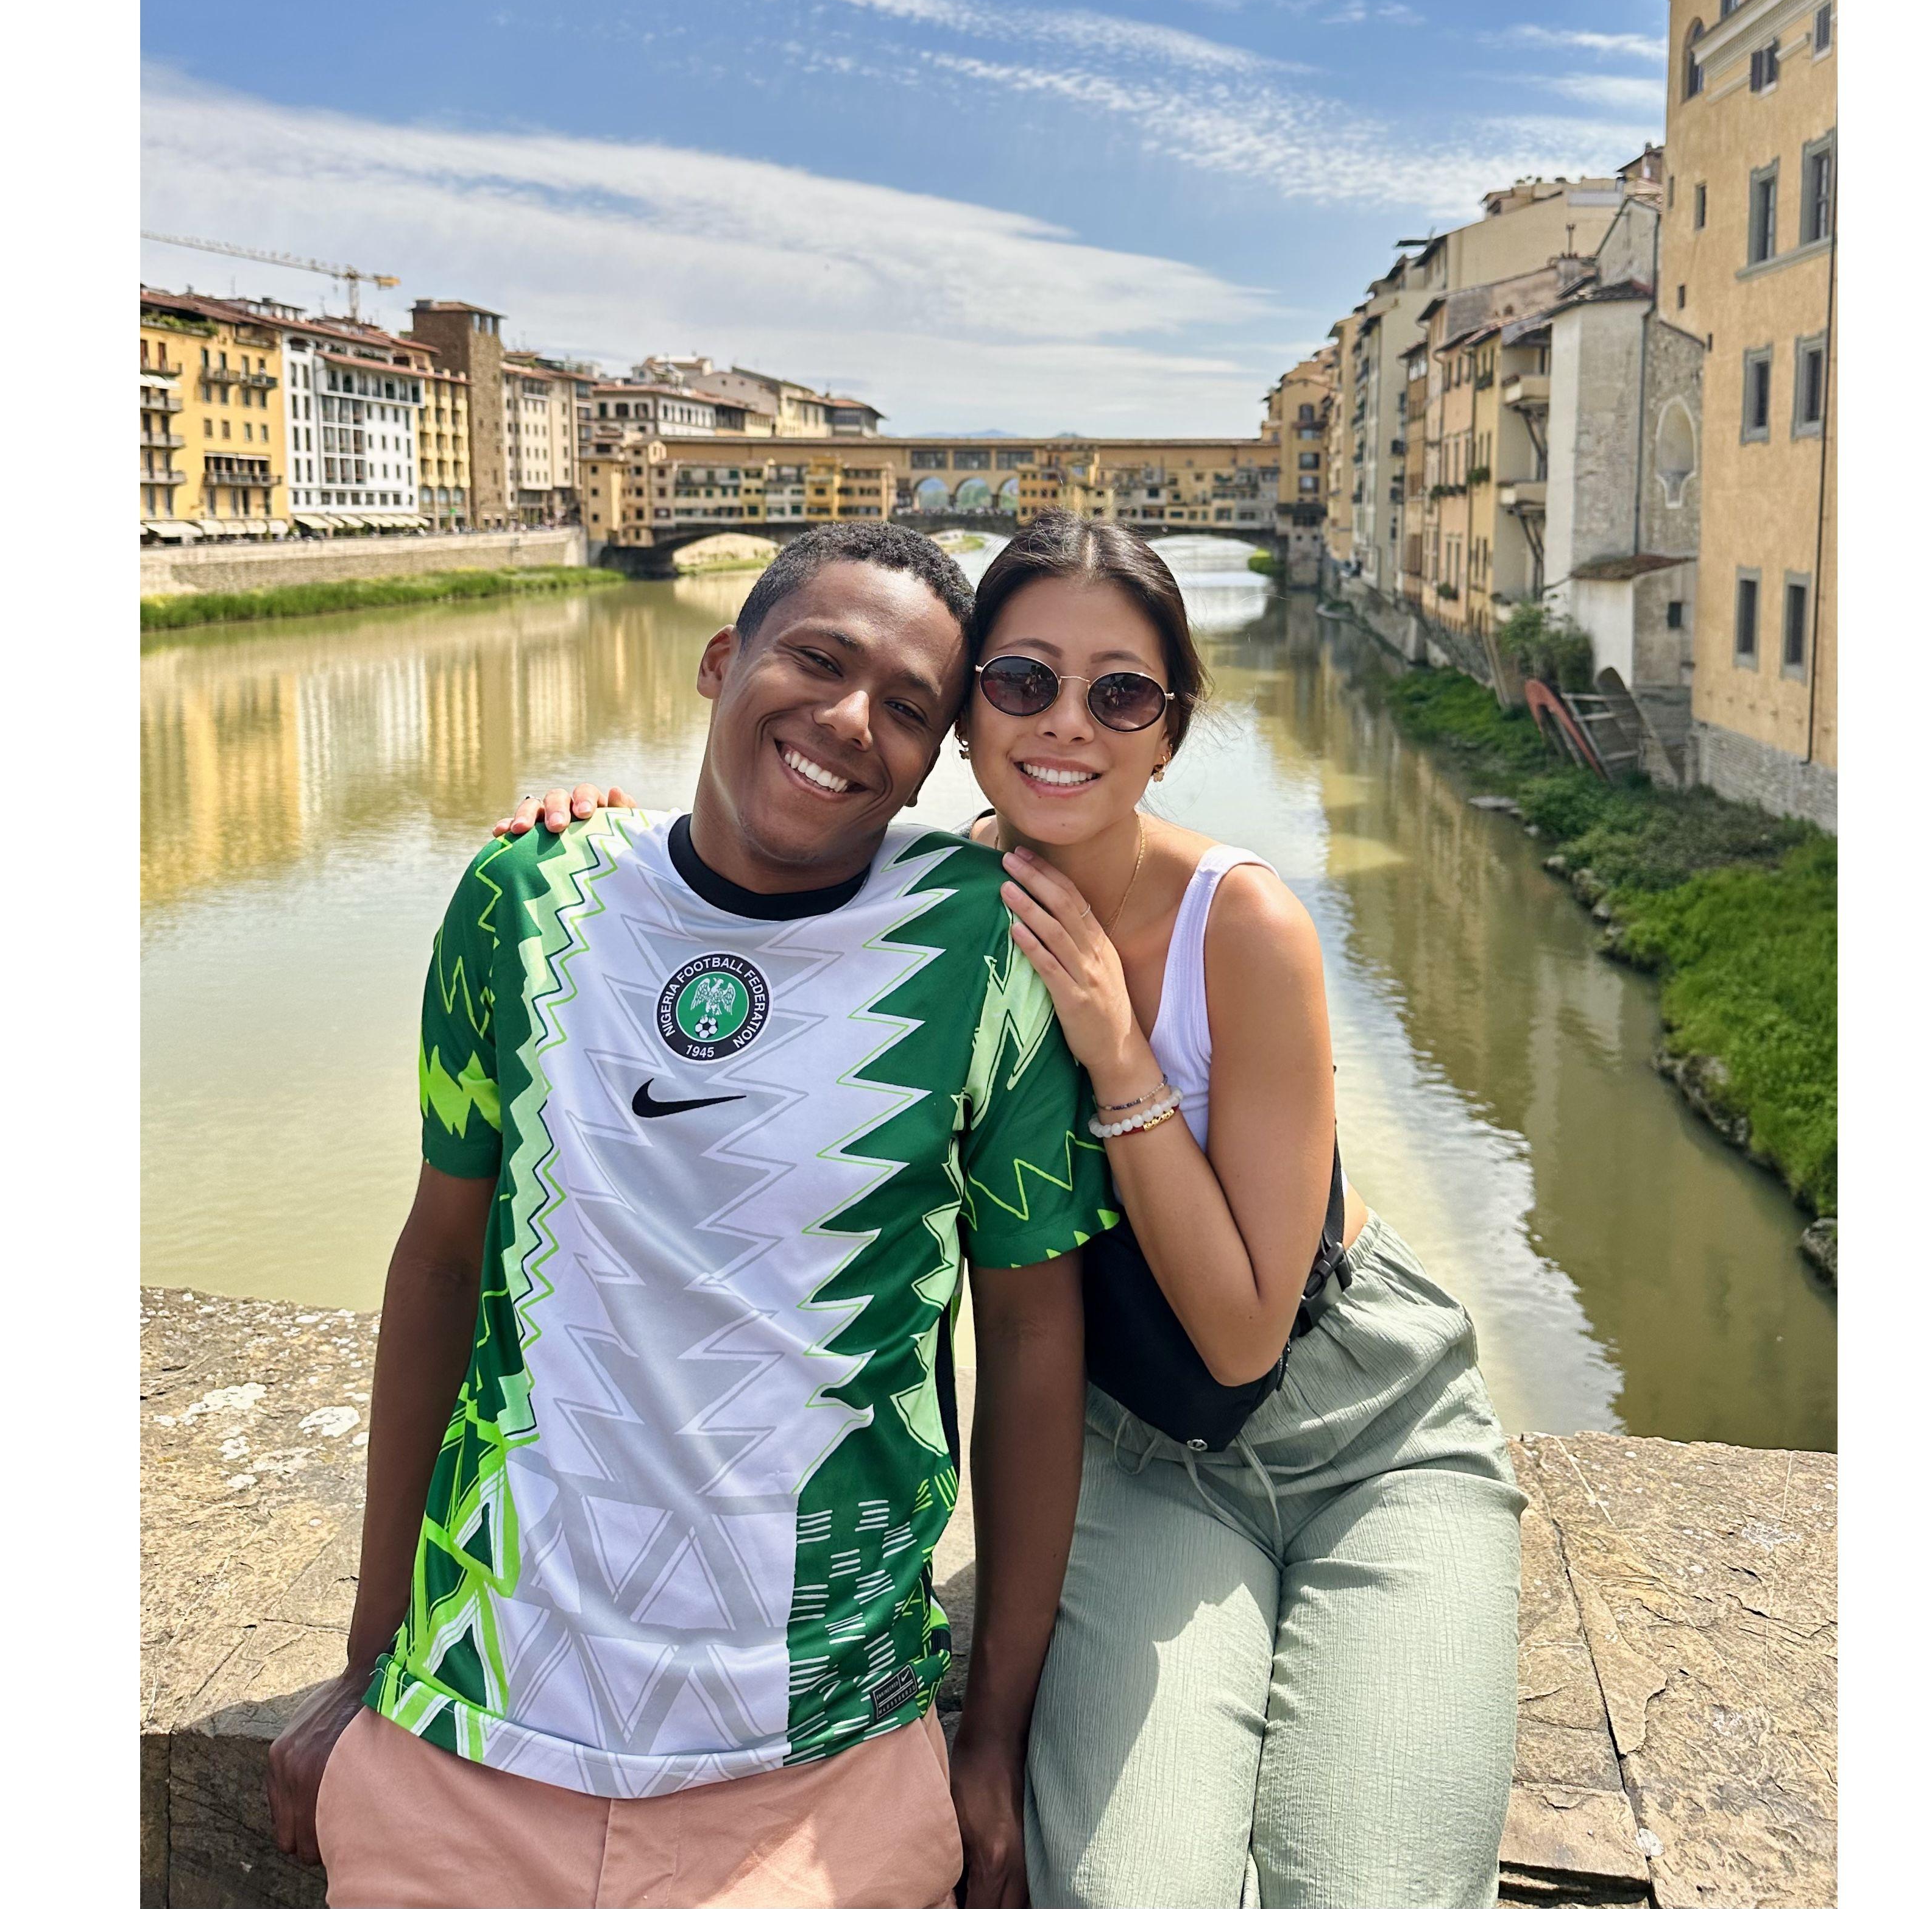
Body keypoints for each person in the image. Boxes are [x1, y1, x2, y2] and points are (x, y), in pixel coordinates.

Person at [522, 514, 1524, 1909]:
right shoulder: (930, 901)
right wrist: (594, 840)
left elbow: (1244, 1339)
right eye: (1020, 682)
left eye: (1121, 693)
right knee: (1120, 1891)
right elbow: (752, 850)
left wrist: (1119, 1053)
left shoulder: (1246, 925)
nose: (1067, 724)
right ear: (963, 719)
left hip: (1367, 1434)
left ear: (1169, 731)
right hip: (1137, 1446)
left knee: (1375, 1886)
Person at [268, 520, 1119, 1909]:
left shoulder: (982, 948)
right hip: (468, 1737)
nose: (850, 721)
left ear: (936, 759)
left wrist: (991, 1741)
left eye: (909, 708)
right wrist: (370, 1665)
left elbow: (1033, 1346)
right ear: (723, 661)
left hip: (819, 1770)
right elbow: (438, 1263)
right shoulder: (522, 896)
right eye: (817, 660)